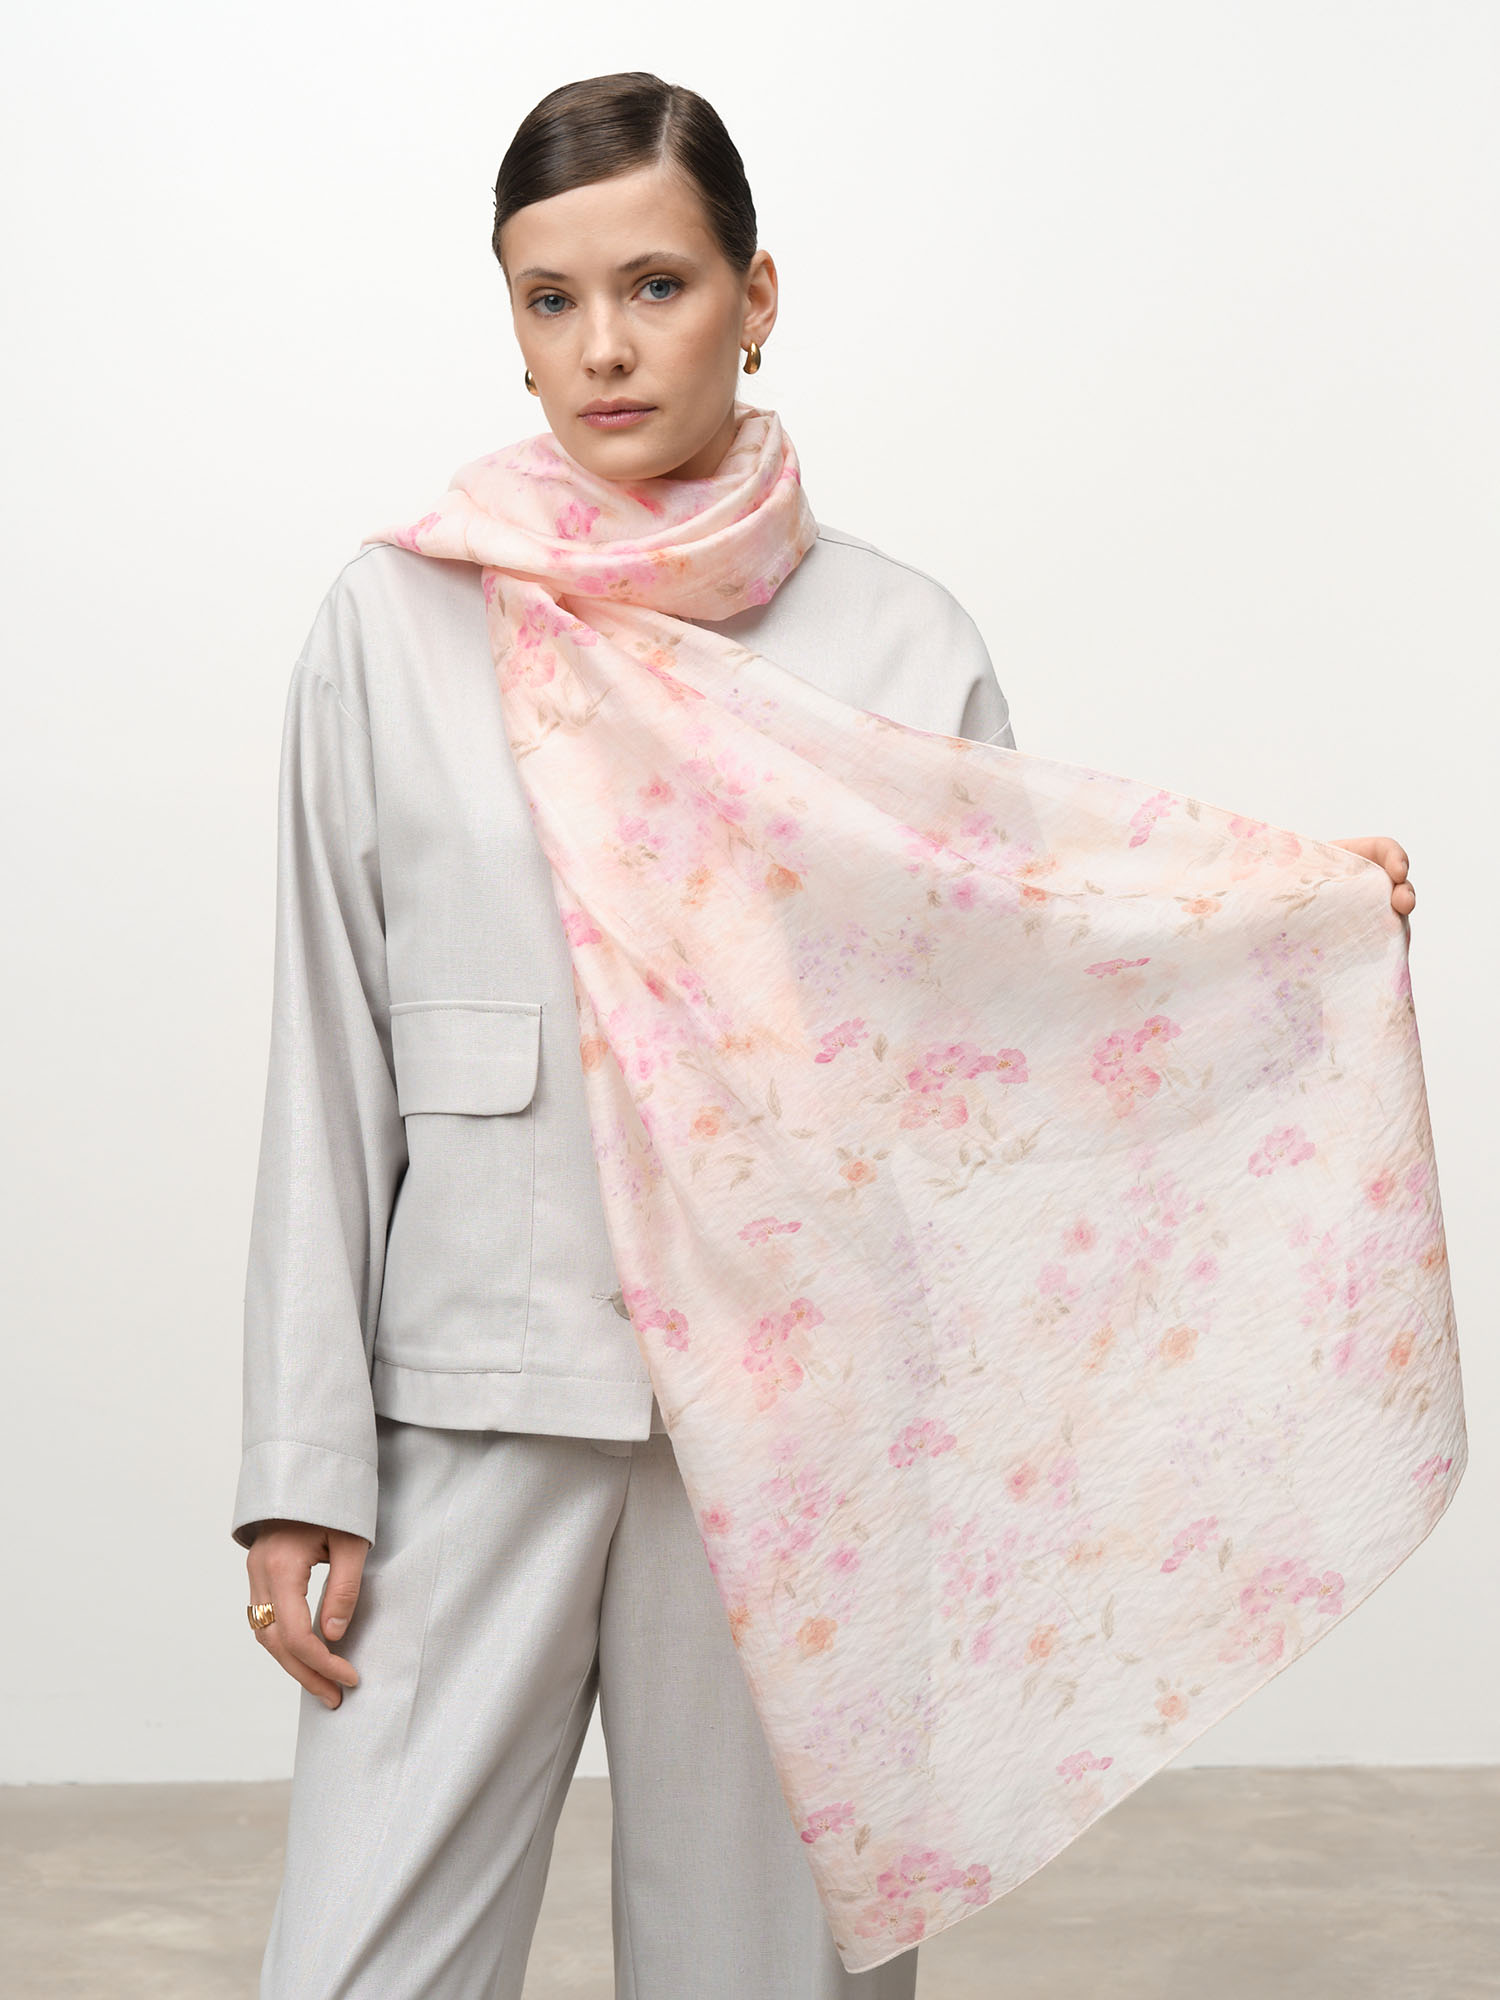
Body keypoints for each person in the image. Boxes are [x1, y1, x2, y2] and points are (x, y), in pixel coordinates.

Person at [233, 70, 1418, 2000]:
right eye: (551, 299)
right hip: (477, 1385)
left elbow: (1028, 996)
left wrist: (1272, 918)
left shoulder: (899, 642)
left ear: (756, 294)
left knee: (765, 1977)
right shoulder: (395, 622)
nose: (604, 348)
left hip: (800, 1425)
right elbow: (327, 1048)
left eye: (657, 285)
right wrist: (301, 1465)